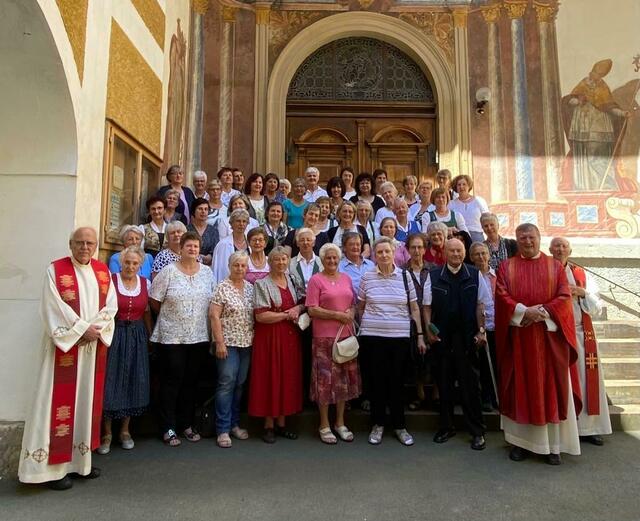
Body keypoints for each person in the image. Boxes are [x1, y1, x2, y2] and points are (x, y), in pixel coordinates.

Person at [18, 227, 117, 490]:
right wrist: (81, 330)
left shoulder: (102, 271)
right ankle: (50, 470)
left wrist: (92, 331)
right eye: (80, 243)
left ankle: (79, 463)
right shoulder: (56, 270)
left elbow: (111, 305)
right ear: (70, 244)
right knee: (55, 406)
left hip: (90, 349)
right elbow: (52, 307)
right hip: (64, 351)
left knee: (84, 402)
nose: (85, 247)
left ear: (96, 246)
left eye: (90, 243)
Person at [495, 223, 581, 465]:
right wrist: (523, 311)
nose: (527, 242)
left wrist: (540, 311)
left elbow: (564, 297)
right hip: (520, 341)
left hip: (548, 340)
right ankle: (521, 444)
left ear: (539, 238)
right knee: (520, 388)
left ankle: (554, 446)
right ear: (517, 240)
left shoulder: (555, 267)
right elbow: (501, 295)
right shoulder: (506, 267)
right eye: (522, 238)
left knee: (551, 389)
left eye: (531, 237)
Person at [423, 238, 491, 450]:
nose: (456, 255)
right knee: (443, 385)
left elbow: (481, 305)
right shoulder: (433, 276)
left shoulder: (474, 274)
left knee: (470, 387)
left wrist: (481, 331)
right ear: (445, 253)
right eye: (452, 251)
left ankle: (477, 431)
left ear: (464, 253)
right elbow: (426, 307)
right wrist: (428, 330)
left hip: (467, 339)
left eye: (459, 251)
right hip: (442, 339)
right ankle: (446, 427)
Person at [358, 237, 426, 446]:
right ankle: (377, 425)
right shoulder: (367, 278)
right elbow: (360, 307)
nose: (384, 255)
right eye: (379, 252)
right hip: (373, 338)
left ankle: (399, 426)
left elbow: (414, 308)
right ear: (375, 255)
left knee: (397, 383)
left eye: (387, 251)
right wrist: (370, 325)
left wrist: (421, 336)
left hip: (399, 339)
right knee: (377, 382)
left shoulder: (404, 277)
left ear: (393, 252)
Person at [149, 231, 214, 447]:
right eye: (189, 246)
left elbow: (212, 301)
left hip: (198, 336)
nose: (193, 250)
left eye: (196, 247)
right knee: (171, 381)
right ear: (182, 248)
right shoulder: (168, 272)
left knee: (191, 382)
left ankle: (186, 424)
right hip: (171, 337)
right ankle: (168, 427)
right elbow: (154, 301)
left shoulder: (207, 273)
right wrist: (173, 316)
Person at [549, 237, 611, 445]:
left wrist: (581, 292)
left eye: (564, 246)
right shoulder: (545, 270)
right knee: (560, 382)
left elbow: (596, 307)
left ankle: (588, 428)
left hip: (579, 334)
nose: (560, 249)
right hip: (554, 334)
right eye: (556, 246)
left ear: (570, 250)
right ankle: (562, 428)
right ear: (550, 250)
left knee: (585, 380)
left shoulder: (581, 274)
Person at [99, 246, 151, 455]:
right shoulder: (111, 281)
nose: (130, 266)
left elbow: (146, 312)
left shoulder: (145, 283)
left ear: (140, 265)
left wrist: (149, 336)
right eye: (127, 262)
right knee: (111, 380)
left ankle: (125, 430)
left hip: (137, 335)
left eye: (134, 263)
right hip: (115, 333)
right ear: (121, 263)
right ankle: (107, 432)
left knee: (132, 379)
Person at [306, 243, 361, 444]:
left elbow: (353, 304)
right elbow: (312, 309)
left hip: (346, 337)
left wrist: (351, 314)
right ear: (322, 259)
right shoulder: (316, 280)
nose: (332, 261)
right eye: (328, 258)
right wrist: (338, 315)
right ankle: (324, 424)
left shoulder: (346, 278)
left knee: (343, 381)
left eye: (335, 258)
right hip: (323, 338)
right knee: (324, 382)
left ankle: (340, 422)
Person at [249, 247, 305, 443]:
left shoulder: (292, 280)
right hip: (270, 337)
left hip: (290, 337)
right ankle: (268, 425)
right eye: (276, 260)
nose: (281, 263)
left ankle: (282, 423)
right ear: (269, 262)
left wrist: (297, 308)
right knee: (270, 377)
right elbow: (261, 315)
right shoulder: (261, 284)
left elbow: (303, 302)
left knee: (286, 377)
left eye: (284, 260)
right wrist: (285, 314)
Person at [562, 59, 631, 191]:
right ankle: (585, 187)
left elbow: (609, 106)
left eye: (599, 74)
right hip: (582, 126)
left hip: (601, 127)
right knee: (584, 156)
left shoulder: (603, 87)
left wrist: (623, 113)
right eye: (595, 72)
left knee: (600, 156)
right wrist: (577, 101)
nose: (595, 75)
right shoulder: (583, 83)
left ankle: (606, 186)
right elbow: (570, 100)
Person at [210, 251, 254, 448]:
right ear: (230, 266)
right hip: (227, 343)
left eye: (243, 265)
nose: (240, 269)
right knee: (226, 383)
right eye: (236, 265)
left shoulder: (251, 288)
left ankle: (234, 424)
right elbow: (214, 316)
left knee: (240, 384)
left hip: (247, 343)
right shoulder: (222, 287)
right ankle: (223, 429)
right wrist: (219, 342)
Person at [404, 233, 436, 412]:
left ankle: (436, 395)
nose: (416, 251)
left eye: (420, 247)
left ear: (425, 249)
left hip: (431, 318)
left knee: (434, 357)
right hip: (410, 320)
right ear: (408, 249)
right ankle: (419, 394)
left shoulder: (434, 269)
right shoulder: (401, 271)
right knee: (415, 357)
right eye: (413, 247)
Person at [469, 242, 498, 411]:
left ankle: (493, 396)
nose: (481, 257)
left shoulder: (498, 276)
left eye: (483, 253)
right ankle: (482, 397)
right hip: (477, 325)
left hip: (495, 324)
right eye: (477, 254)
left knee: (494, 362)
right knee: (480, 364)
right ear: (471, 257)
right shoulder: (469, 275)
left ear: (489, 255)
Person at [211, 209, 250, 284]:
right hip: (228, 287)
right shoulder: (222, 245)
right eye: (238, 221)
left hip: (247, 285)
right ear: (231, 224)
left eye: (244, 221)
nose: (241, 224)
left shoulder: (251, 243)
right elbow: (218, 271)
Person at [448, 174, 489, 243]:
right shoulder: (451, 204)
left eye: (464, 184)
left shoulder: (479, 201)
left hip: (477, 236)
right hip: (459, 237)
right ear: (456, 187)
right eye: (459, 185)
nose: (461, 187)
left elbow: (487, 219)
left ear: (469, 186)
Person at [188, 198, 219, 266]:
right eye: (200, 209)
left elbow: (216, 249)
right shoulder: (186, 229)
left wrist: (210, 256)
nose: (203, 211)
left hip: (209, 266)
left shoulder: (213, 230)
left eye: (206, 209)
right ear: (193, 211)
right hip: (189, 264)